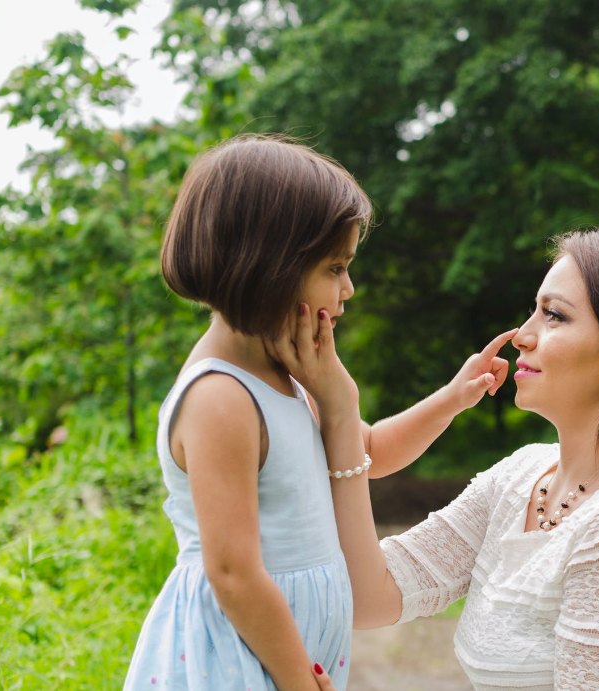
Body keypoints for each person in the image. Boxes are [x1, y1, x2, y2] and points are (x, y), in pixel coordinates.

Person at [124, 135, 513, 691]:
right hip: (238, 658)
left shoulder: (293, 377)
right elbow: (233, 573)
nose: (348, 289)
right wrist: (297, 682)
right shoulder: (221, 398)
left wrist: (453, 397)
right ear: (265, 265)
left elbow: (369, 452)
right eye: (335, 268)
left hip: (289, 659)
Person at [290, 227, 599, 691]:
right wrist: (339, 413)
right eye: (534, 311)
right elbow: (368, 594)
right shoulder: (521, 476)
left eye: (555, 316)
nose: (523, 336)